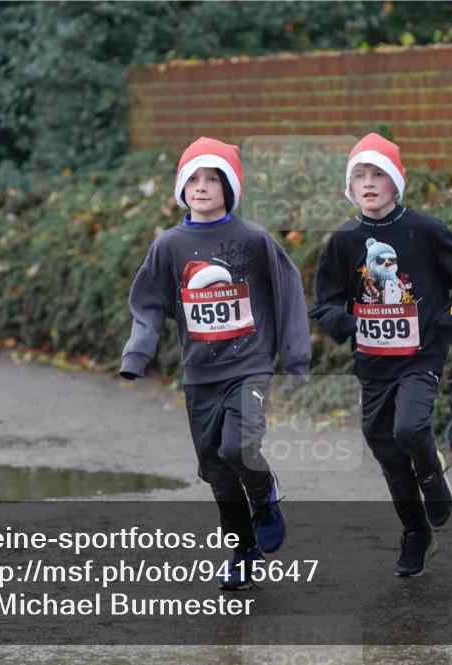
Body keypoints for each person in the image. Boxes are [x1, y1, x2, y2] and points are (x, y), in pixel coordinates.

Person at [120, 137, 312, 589]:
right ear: (181, 187)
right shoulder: (169, 245)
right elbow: (147, 304)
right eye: (193, 178)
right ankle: (242, 549)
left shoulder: (252, 238)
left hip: (248, 366)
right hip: (199, 372)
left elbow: (288, 290)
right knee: (215, 469)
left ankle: (265, 496)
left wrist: (296, 356)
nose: (201, 187)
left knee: (237, 448)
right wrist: (138, 353)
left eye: (212, 178)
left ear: (230, 187)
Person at [309, 133, 452, 576]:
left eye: (378, 174)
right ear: (350, 186)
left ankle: (431, 474)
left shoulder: (424, 230)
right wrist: (345, 323)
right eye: (360, 175)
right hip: (373, 362)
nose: (368, 183)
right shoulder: (344, 241)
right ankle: (416, 532)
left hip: (421, 354)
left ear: (396, 182)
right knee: (382, 444)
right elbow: (323, 302)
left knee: (410, 426)